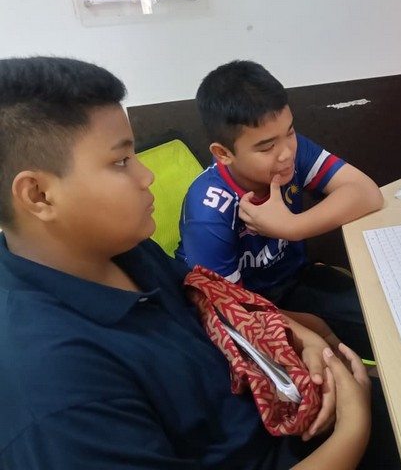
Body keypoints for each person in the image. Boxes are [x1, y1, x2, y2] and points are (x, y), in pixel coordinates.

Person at [0, 56, 372, 469]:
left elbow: (215, 296)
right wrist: (355, 424)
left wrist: (305, 338)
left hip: (289, 414)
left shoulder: (121, 250)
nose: (147, 176)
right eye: (121, 161)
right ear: (38, 195)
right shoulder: (55, 389)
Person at [175, 60, 384, 361]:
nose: (286, 152)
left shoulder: (293, 153)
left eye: (290, 131)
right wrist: (314, 328)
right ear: (223, 153)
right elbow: (234, 313)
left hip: (293, 281)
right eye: (266, 147)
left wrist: (290, 227)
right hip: (237, 312)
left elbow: (366, 193)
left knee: (386, 318)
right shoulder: (208, 212)